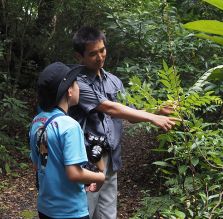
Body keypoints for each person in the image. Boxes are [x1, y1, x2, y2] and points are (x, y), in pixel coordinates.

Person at [70, 26, 179, 219]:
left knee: (108, 214)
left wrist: (156, 111)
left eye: (102, 50)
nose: (100, 57)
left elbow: (129, 115)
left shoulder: (114, 81)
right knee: (84, 212)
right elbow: (109, 108)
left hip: (111, 159)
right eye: (93, 53)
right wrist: (153, 118)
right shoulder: (77, 83)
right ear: (79, 56)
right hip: (87, 163)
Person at [29, 62, 106, 219]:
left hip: (45, 208)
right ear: (69, 90)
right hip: (70, 211)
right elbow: (74, 174)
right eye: (77, 83)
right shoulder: (70, 125)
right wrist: (99, 177)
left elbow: (38, 166)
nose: (79, 87)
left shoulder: (37, 121)